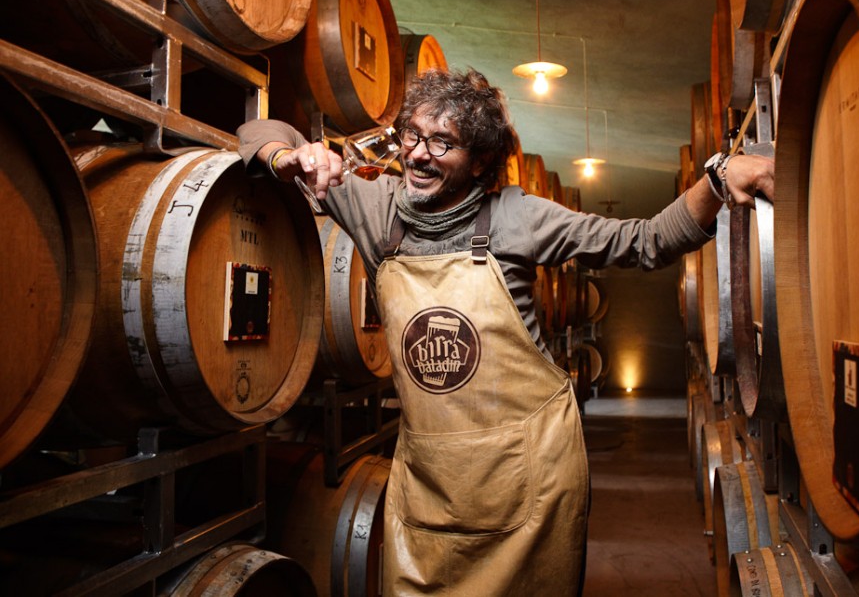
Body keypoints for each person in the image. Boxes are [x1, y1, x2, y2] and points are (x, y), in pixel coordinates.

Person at [237, 67, 774, 596]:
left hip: (530, 489)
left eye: (443, 143)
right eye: (413, 135)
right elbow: (259, 132)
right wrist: (292, 156)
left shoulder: (520, 218)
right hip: (431, 488)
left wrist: (719, 179)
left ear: (481, 163)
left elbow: (646, 241)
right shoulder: (374, 208)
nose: (419, 154)